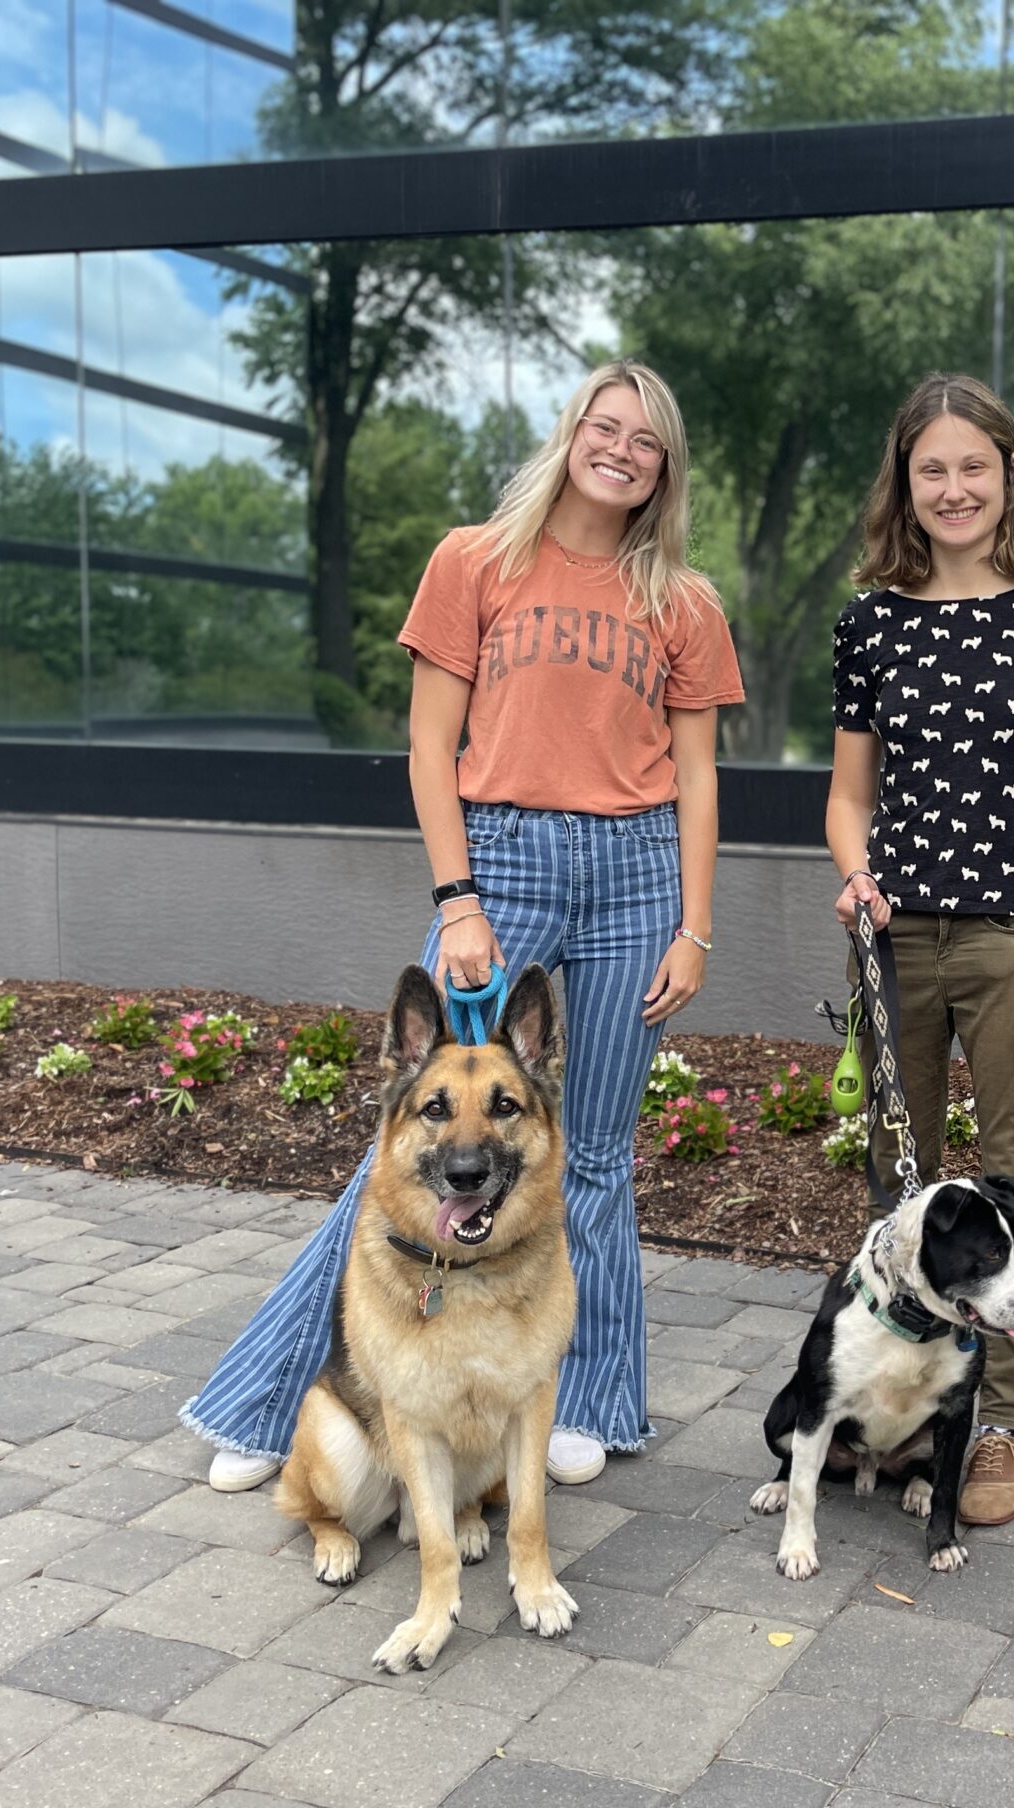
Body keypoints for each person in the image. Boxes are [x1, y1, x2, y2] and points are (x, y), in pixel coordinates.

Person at [184, 361, 743, 1492]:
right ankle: (263, 1405)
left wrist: (696, 927)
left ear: (664, 469)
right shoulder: (474, 560)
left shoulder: (682, 600)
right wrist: (459, 900)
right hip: (506, 857)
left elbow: (696, 772)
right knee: (421, 1147)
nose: (622, 451)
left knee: (589, 1156)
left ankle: (589, 1400)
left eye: (647, 441)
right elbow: (431, 744)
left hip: (638, 870)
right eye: (606, 427)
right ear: (572, 433)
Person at [826, 372, 1014, 1528]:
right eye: (930, 468)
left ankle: (1002, 1425)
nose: (952, 488)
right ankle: (906, 1403)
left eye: (973, 468)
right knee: (899, 1184)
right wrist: (854, 867)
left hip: (1012, 943)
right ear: (906, 481)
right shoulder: (868, 622)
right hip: (897, 943)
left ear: (1008, 477)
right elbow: (848, 800)